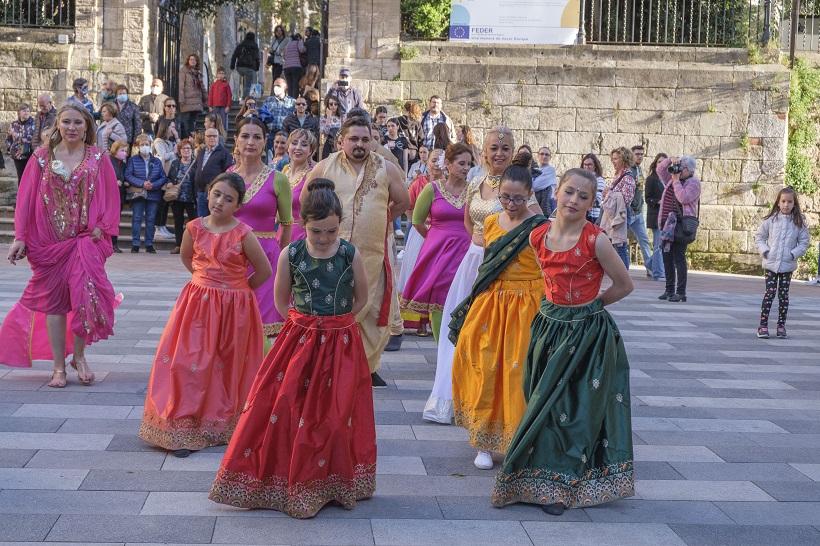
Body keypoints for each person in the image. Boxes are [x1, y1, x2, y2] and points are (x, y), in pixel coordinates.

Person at [209, 178, 375, 518]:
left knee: (335, 412)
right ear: (304, 225)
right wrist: (301, 326)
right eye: (317, 231)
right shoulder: (292, 253)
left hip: (339, 342)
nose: (325, 238)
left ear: (339, 225)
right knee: (285, 404)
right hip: (298, 342)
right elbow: (280, 299)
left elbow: (363, 297)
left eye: (331, 231)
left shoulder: (349, 253)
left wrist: (341, 323)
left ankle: (329, 480)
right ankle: (282, 475)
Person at [491, 168, 635, 515]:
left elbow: (624, 284)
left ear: (591, 203)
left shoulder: (595, 239)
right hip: (548, 329)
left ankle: (562, 486)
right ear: (556, 192)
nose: (574, 200)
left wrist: (594, 305)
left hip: (587, 335)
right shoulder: (537, 236)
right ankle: (537, 476)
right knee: (543, 403)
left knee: (576, 411)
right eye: (569, 192)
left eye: (583, 196)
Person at [139, 173, 271, 457]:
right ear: (208, 193)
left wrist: (239, 290)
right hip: (197, 305)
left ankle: (220, 424)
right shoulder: (193, 228)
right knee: (187, 362)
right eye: (217, 194)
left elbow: (264, 271)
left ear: (238, 205)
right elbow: (187, 258)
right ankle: (182, 426)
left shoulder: (244, 233)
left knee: (225, 363)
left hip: (235, 307)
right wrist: (204, 282)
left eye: (229, 199)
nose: (220, 202)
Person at [423, 126, 541, 424]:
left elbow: (538, 228)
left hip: (502, 269)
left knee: (489, 336)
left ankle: (487, 403)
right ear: (484, 152)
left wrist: (502, 251)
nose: (498, 153)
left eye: (504, 149)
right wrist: (477, 249)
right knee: (461, 329)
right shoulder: (475, 182)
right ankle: (451, 398)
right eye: (493, 148)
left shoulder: (519, 186)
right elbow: (468, 221)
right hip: (472, 262)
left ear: (512, 152)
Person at [0, 104, 120, 384]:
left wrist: (102, 227)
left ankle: (78, 357)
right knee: (54, 304)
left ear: (87, 126)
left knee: (82, 297)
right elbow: (26, 198)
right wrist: (20, 236)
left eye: (78, 122)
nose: (72, 127)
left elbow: (112, 197)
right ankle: (58, 367)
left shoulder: (99, 158)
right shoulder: (41, 158)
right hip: (48, 241)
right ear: (58, 125)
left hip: (84, 241)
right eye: (66, 122)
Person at [449, 152, 548, 470]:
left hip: (527, 306)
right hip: (491, 304)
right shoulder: (490, 222)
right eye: (505, 196)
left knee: (518, 372)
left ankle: (518, 439)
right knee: (485, 365)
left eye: (518, 198)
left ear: (530, 195)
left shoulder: (539, 227)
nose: (510, 203)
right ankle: (483, 440)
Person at [303, 116, 410, 387]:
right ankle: (331, 364)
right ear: (341, 140)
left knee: (373, 310)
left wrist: (383, 220)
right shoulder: (325, 166)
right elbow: (306, 199)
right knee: (335, 306)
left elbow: (403, 201)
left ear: (373, 140)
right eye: (354, 139)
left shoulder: (386, 168)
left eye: (365, 139)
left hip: (373, 251)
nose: (360, 144)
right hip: (333, 253)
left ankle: (367, 366)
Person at [400, 144, 471, 342]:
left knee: (462, 296)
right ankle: (443, 350)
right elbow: (417, 221)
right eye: (461, 163)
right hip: (439, 252)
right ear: (448, 164)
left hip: (466, 252)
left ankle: (460, 350)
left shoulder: (473, 190)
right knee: (440, 298)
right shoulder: (432, 189)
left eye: (468, 164)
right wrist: (435, 238)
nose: (466, 168)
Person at [231, 117, 294, 337]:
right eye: (245, 136)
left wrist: (282, 260)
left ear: (265, 141)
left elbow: (286, 225)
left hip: (267, 259)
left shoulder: (278, 179)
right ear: (236, 141)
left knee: (265, 325)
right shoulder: (227, 178)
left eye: (257, 137)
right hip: (233, 259)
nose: (251, 142)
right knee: (233, 323)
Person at [754, 186, 810, 339]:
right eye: (783, 201)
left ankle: (781, 325)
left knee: (783, 295)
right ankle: (763, 325)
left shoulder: (799, 222)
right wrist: (765, 251)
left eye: (789, 202)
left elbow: (804, 242)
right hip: (771, 264)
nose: (786, 205)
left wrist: (793, 254)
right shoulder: (771, 220)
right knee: (770, 294)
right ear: (778, 203)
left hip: (787, 265)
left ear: (794, 203)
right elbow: (759, 237)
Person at [398, 148, 441, 336]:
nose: (437, 164)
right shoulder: (419, 183)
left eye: (441, 160)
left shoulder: (451, 186)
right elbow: (408, 207)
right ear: (427, 162)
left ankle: (436, 319)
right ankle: (420, 322)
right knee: (419, 274)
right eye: (434, 160)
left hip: (441, 235)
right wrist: (420, 224)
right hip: (421, 231)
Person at [657, 155, 701, 302]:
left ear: (690, 170)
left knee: (679, 258)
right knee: (667, 257)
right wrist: (671, 160)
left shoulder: (694, 183)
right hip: (667, 226)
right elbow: (660, 169)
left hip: (681, 227)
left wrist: (676, 181)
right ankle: (669, 289)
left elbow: (683, 198)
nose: (678, 170)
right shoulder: (673, 179)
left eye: (681, 168)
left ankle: (681, 291)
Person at [125, 133, 168, 253]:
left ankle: (149, 244)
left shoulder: (157, 161)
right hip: (138, 193)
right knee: (137, 218)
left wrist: (153, 185)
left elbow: (163, 177)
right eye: (142, 144)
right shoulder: (133, 160)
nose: (145, 146)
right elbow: (128, 175)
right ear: (138, 146)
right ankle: (136, 243)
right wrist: (142, 183)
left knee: (150, 219)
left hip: (153, 193)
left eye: (147, 144)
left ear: (150, 146)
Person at [602, 147, 636, 269]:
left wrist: (609, 193)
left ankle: (624, 279)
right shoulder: (618, 175)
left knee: (620, 247)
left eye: (616, 159)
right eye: (613, 158)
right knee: (615, 247)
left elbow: (627, 199)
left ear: (623, 159)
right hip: (614, 214)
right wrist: (608, 193)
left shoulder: (627, 177)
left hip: (621, 214)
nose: (613, 161)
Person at [281, 128, 316, 242]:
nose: (298, 148)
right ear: (288, 147)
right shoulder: (283, 172)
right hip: (279, 233)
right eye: (294, 143)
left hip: (301, 236)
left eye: (304, 144)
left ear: (310, 151)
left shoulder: (312, 175)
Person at [627, 145, 655, 279]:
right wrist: (630, 208)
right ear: (631, 155)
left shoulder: (639, 169)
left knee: (644, 240)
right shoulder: (629, 171)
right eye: (637, 154)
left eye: (642, 154)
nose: (640, 156)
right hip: (629, 211)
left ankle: (650, 268)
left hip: (638, 212)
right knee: (616, 240)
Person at [193, 128, 233, 217]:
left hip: (216, 193)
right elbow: (197, 170)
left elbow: (227, 173)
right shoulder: (201, 152)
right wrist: (196, 192)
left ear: (218, 138)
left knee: (214, 219)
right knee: (202, 220)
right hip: (201, 192)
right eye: (209, 136)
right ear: (205, 138)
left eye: (214, 136)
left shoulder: (224, 153)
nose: (212, 138)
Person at [166, 138, 197, 254]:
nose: (186, 151)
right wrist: (169, 182)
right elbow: (169, 177)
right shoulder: (175, 163)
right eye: (184, 148)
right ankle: (178, 245)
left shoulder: (195, 163)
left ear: (192, 150)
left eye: (188, 148)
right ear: (180, 150)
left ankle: (193, 246)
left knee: (193, 222)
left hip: (191, 196)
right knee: (177, 221)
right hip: (177, 197)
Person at [153, 119, 181, 240]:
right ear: (166, 127)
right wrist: (173, 152)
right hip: (161, 175)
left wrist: (177, 138)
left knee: (165, 203)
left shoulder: (170, 142)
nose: (173, 129)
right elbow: (163, 156)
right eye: (172, 127)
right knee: (160, 203)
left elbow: (180, 150)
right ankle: (158, 227)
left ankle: (163, 226)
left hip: (170, 175)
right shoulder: (158, 142)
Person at [644, 152, 668, 280]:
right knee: (659, 244)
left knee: (664, 244)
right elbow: (648, 198)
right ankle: (658, 272)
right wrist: (658, 201)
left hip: (667, 217)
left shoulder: (669, 179)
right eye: (659, 162)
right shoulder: (651, 179)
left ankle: (649, 263)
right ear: (655, 164)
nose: (661, 165)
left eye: (664, 162)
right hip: (656, 215)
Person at [179, 53, 207, 139]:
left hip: (196, 101)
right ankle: (186, 138)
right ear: (188, 60)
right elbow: (181, 85)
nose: (192, 61)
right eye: (191, 59)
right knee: (185, 121)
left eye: (194, 60)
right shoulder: (184, 70)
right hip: (187, 100)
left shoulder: (198, 72)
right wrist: (181, 99)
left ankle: (191, 138)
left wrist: (205, 97)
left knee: (193, 122)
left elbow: (202, 87)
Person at [6, 103, 35, 184]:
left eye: (28, 111)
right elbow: (8, 138)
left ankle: (30, 196)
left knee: (30, 178)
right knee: (21, 177)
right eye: (24, 111)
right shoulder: (13, 124)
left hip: (31, 155)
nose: (26, 112)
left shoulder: (35, 124)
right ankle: (21, 196)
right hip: (18, 156)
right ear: (19, 113)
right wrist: (10, 148)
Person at [109, 139, 129, 253]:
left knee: (116, 221)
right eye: (122, 150)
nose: (124, 153)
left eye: (126, 151)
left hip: (120, 195)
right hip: (110, 196)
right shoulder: (109, 160)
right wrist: (114, 181)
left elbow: (125, 175)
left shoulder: (123, 164)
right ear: (115, 150)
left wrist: (125, 181)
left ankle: (114, 243)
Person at [231, 32, 261, 99]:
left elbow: (234, 55)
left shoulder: (241, 45)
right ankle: (244, 99)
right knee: (248, 85)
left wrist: (232, 66)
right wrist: (257, 68)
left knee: (244, 81)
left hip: (240, 67)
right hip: (249, 68)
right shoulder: (255, 46)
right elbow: (257, 58)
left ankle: (239, 96)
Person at [114, 85, 141, 151]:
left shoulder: (133, 106)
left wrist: (135, 140)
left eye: (124, 93)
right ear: (116, 95)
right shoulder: (112, 105)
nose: (122, 95)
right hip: (114, 137)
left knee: (125, 158)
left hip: (128, 138)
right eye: (120, 94)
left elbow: (137, 124)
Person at [581, 153, 606, 225]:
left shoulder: (599, 180)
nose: (586, 167)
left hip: (593, 215)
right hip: (582, 214)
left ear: (595, 166)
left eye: (589, 165)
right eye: (585, 164)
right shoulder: (582, 179)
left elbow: (598, 199)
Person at [533, 147, 557, 215]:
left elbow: (535, 186)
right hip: (535, 204)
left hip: (547, 204)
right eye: (542, 154)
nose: (544, 156)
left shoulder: (551, 170)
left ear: (550, 157)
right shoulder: (534, 170)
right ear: (538, 155)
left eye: (547, 154)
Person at [282, 33, 306, 99]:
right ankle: (294, 101)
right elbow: (302, 50)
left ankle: (289, 99)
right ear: (299, 38)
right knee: (295, 85)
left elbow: (283, 57)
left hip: (286, 67)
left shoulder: (287, 45)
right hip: (296, 66)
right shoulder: (298, 43)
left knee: (290, 85)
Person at [267, 25, 289, 91]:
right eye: (277, 31)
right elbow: (272, 48)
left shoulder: (287, 40)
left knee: (278, 78)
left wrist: (280, 53)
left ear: (282, 31)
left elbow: (287, 50)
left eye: (280, 30)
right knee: (274, 77)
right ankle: (274, 92)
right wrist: (271, 51)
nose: (278, 32)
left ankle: (279, 91)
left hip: (282, 62)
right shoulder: (274, 40)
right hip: (274, 61)